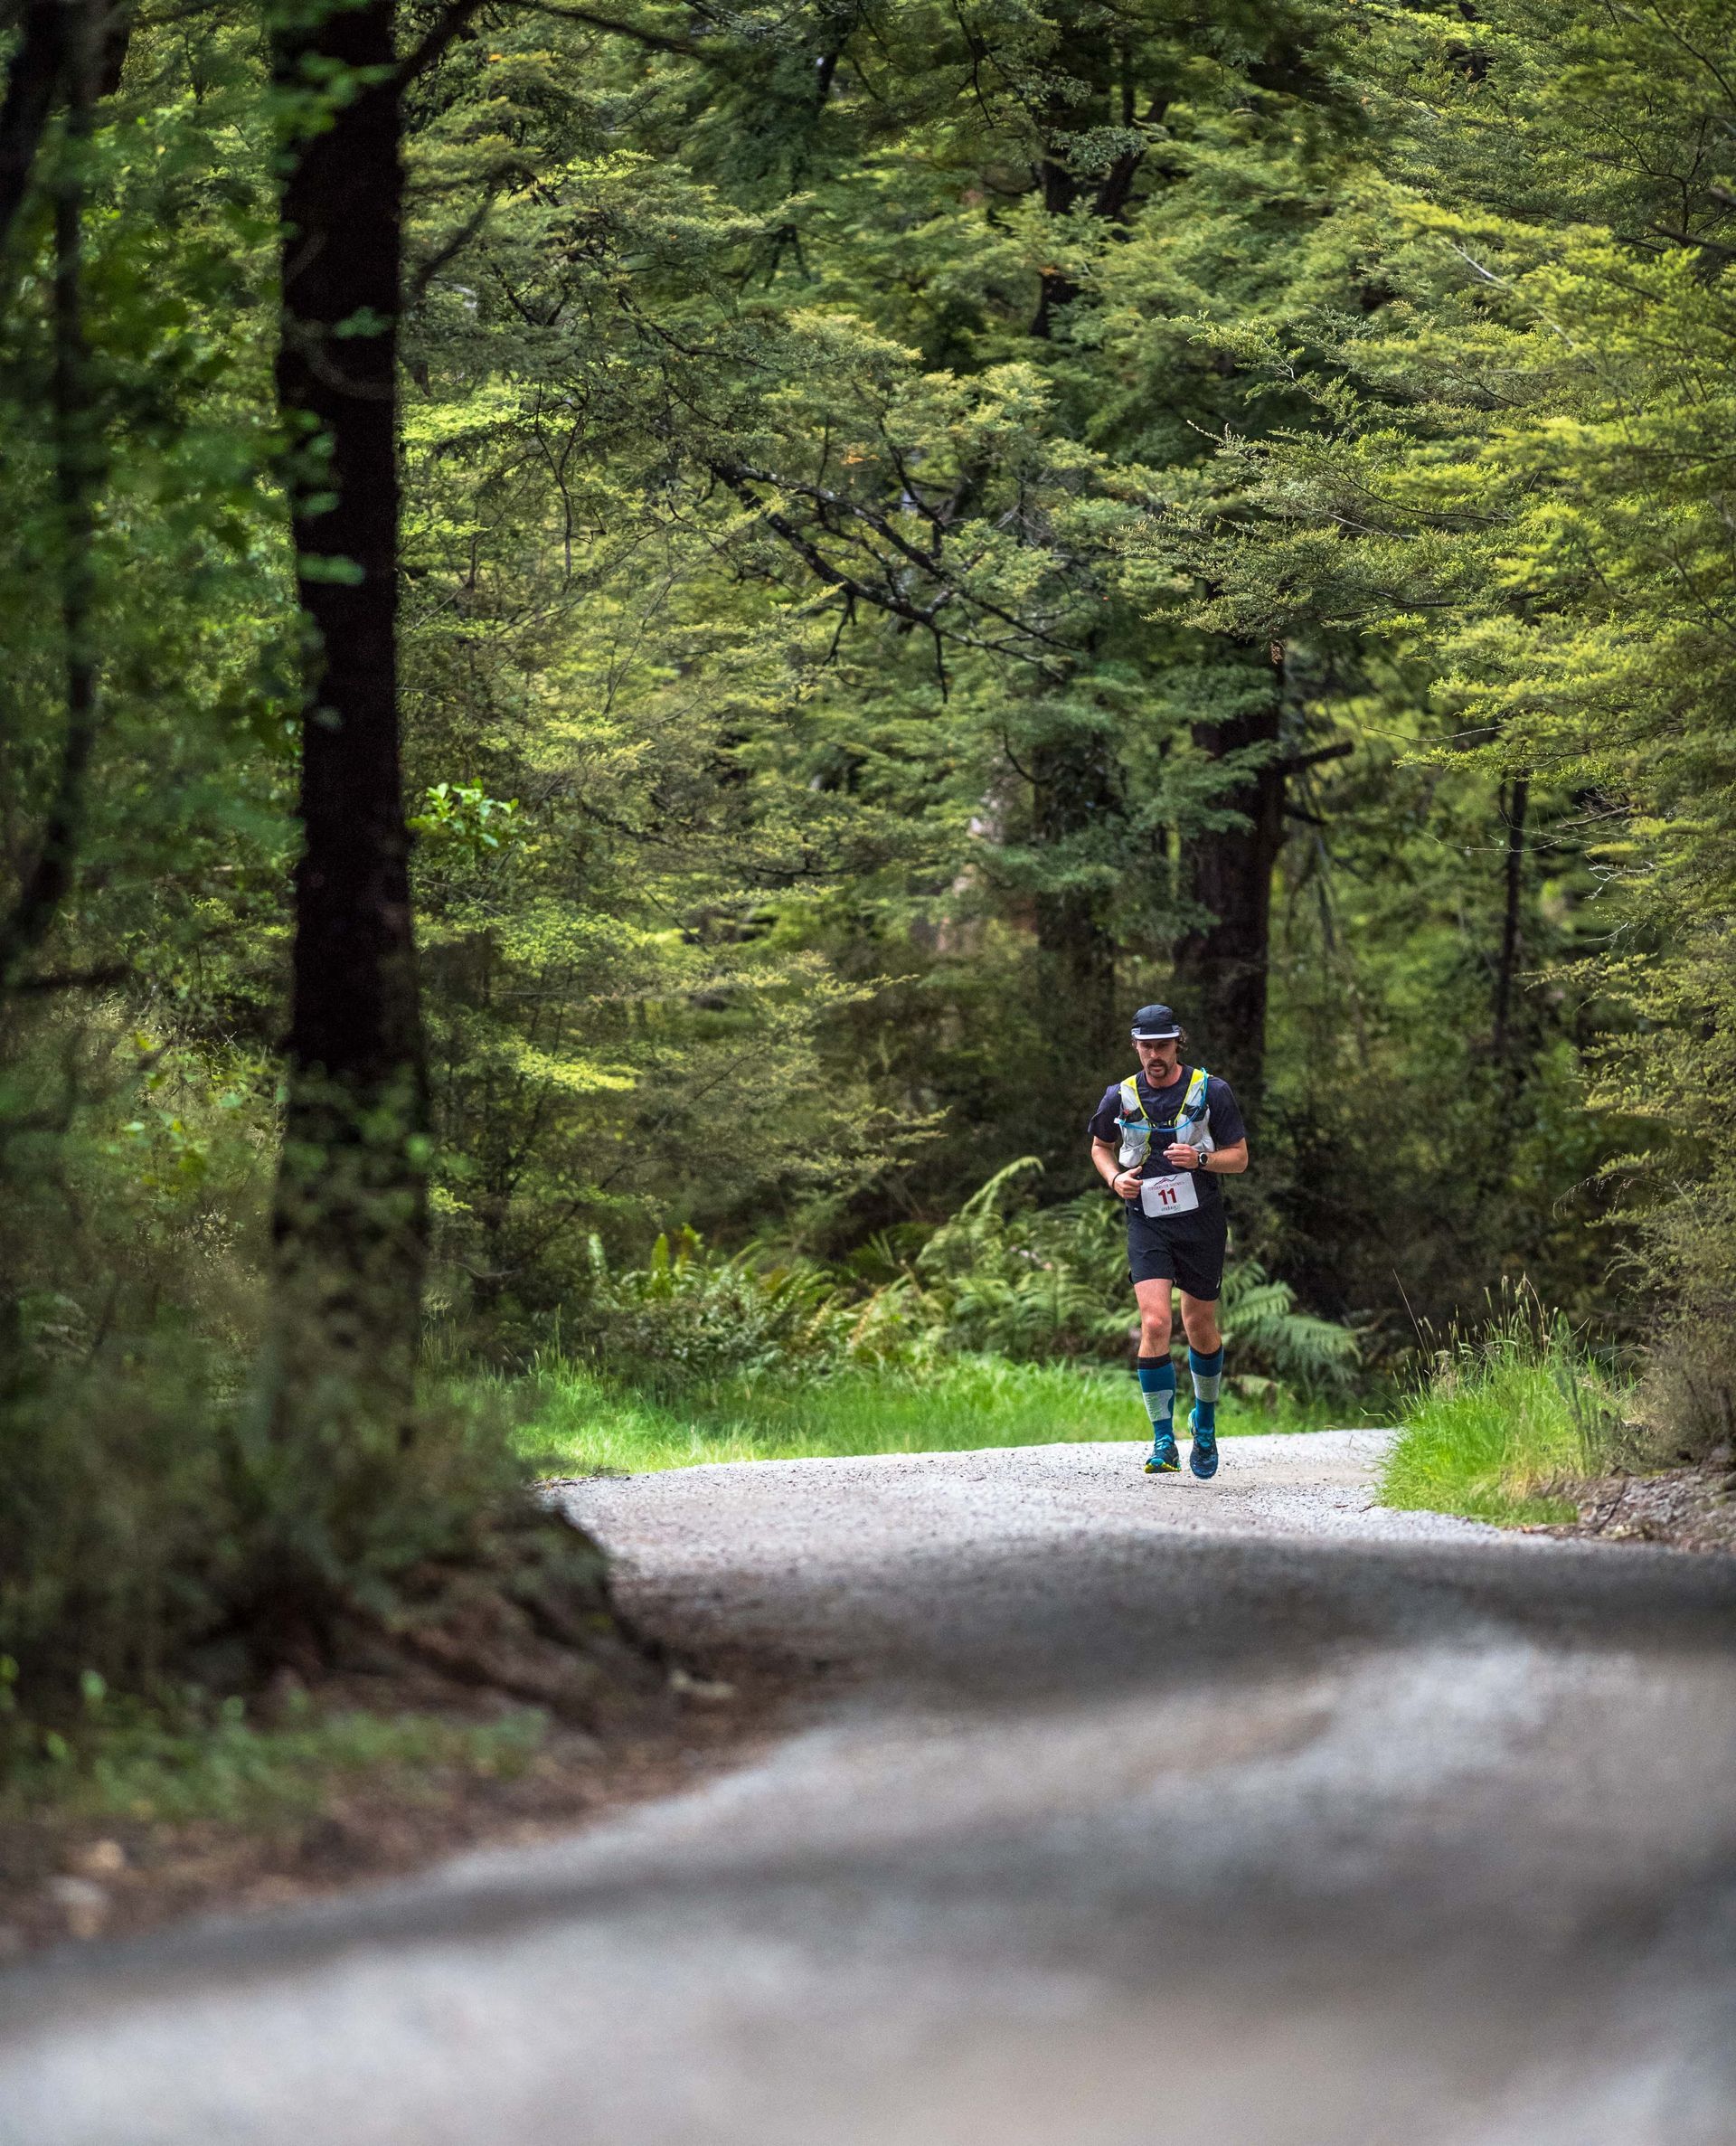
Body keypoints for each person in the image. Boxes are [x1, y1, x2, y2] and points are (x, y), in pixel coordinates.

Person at [1087, 1004, 1249, 1478]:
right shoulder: (1119, 1096)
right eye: (1145, 1046)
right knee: (1155, 1322)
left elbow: (1238, 1158)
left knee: (1198, 1323)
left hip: (1201, 1220)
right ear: (1136, 1045)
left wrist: (1200, 1161)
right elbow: (1100, 1146)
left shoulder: (1211, 1091)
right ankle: (1163, 1439)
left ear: (1179, 1041)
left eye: (1162, 1045)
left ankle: (1205, 1422)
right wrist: (1116, 1179)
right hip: (1147, 1218)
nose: (1154, 1055)